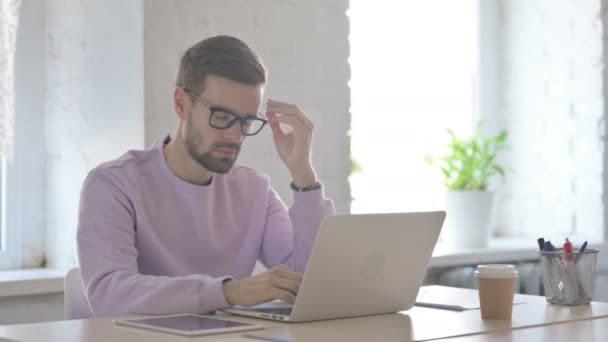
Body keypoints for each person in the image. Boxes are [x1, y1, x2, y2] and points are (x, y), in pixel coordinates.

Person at [76, 35, 335, 317]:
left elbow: (308, 284)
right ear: (181, 104)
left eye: (246, 121)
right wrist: (227, 292)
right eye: (222, 116)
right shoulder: (114, 184)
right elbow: (109, 295)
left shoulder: (254, 190)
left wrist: (303, 174)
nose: (235, 136)